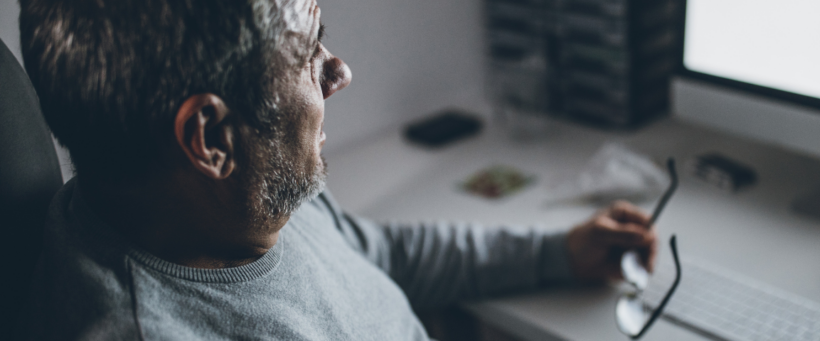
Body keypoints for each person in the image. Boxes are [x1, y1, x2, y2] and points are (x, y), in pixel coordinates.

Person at [19, 0, 659, 339]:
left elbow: (376, 252)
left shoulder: (231, 200)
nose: (338, 70)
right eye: (307, 50)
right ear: (210, 137)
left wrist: (556, 254)